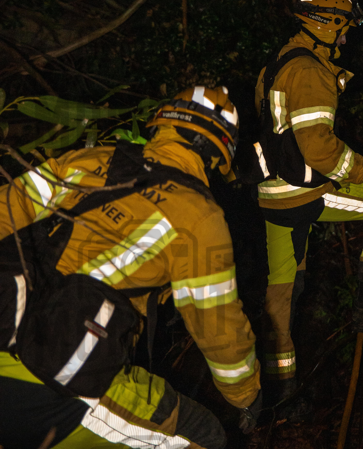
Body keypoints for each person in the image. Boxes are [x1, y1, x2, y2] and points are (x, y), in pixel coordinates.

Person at [0, 85, 262, 449]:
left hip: (5, 332)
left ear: (162, 124)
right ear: (219, 153)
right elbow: (218, 327)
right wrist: (245, 395)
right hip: (61, 375)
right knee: (204, 436)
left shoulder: (89, 160)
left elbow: (7, 207)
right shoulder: (198, 216)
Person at [254, 0, 363, 412]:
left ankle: (281, 393)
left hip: (272, 194)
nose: (346, 37)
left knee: (282, 296)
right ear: (326, 24)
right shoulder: (310, 71)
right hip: (305, 194)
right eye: (344, 27)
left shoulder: (279, 60)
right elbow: (319, 150)